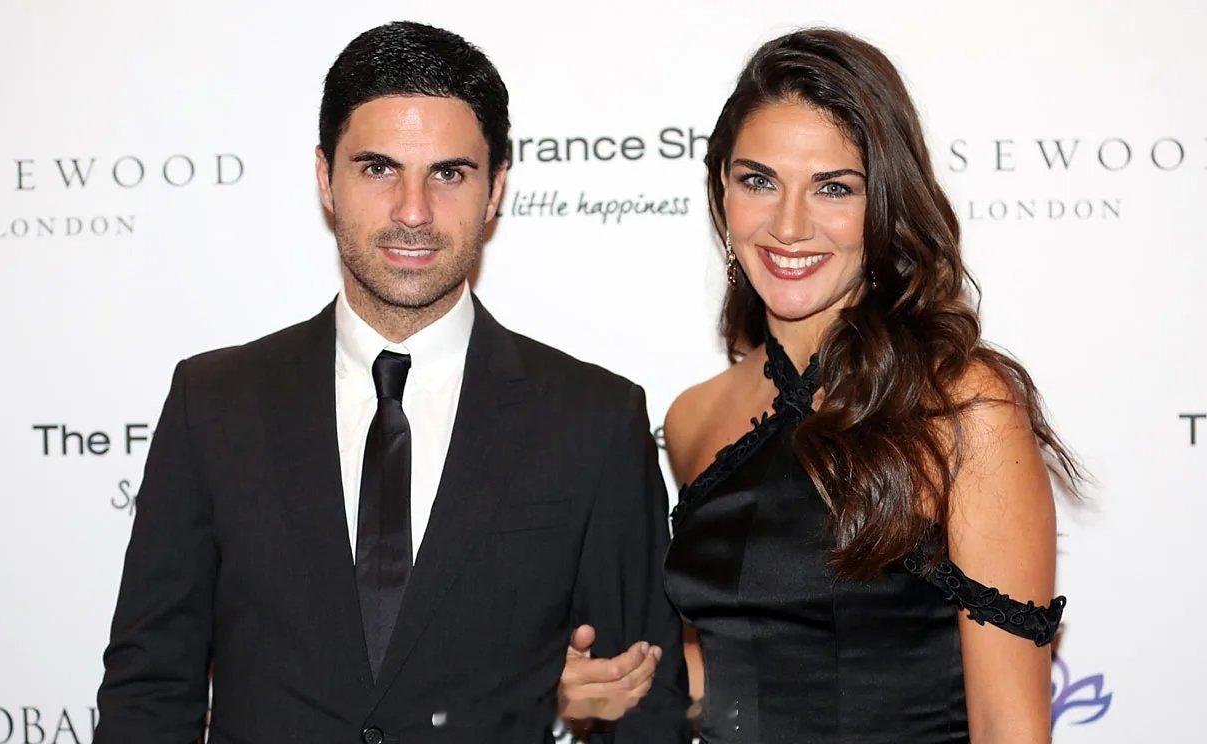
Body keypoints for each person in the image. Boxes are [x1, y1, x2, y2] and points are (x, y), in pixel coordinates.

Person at [94, 21, 687, 744]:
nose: (413, 212)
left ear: (496, 188)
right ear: (326, 179)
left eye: (449, 173)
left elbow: (644, 705)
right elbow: (150, 691)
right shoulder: (214, 404)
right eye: (379, 169)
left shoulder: (593, 420)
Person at [662, 28, 1080, 743]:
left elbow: (1008, 726)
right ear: (721, 191)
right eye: (758, 181)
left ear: (885, 203)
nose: (789, 226)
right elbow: (745, 678)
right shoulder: (694, 417)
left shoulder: (961, 407)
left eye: (834, 188)